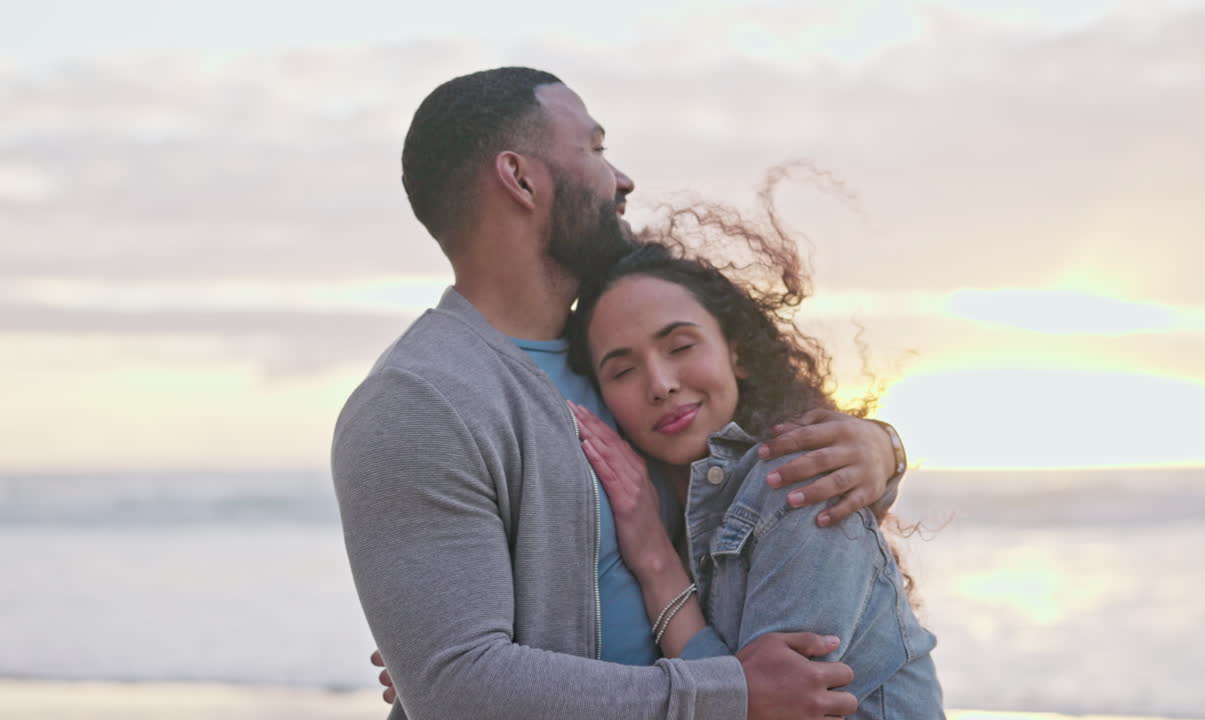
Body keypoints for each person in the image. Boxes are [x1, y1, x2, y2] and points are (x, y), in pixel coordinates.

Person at [333, 67, 909, 720]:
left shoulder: (619, 361)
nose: (623, 181)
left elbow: (749, 492)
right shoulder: (419, 401)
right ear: (520, 178)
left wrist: (879, 449)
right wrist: (730, 693)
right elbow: (461, 689)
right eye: (597, 151)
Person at [564, 222, 943, 718]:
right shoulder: (665, 504)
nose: (659, 384)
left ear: (736, 353)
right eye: (622, 370)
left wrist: (657, 565)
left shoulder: (799, 480)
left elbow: (767, 709)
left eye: (680, 346)